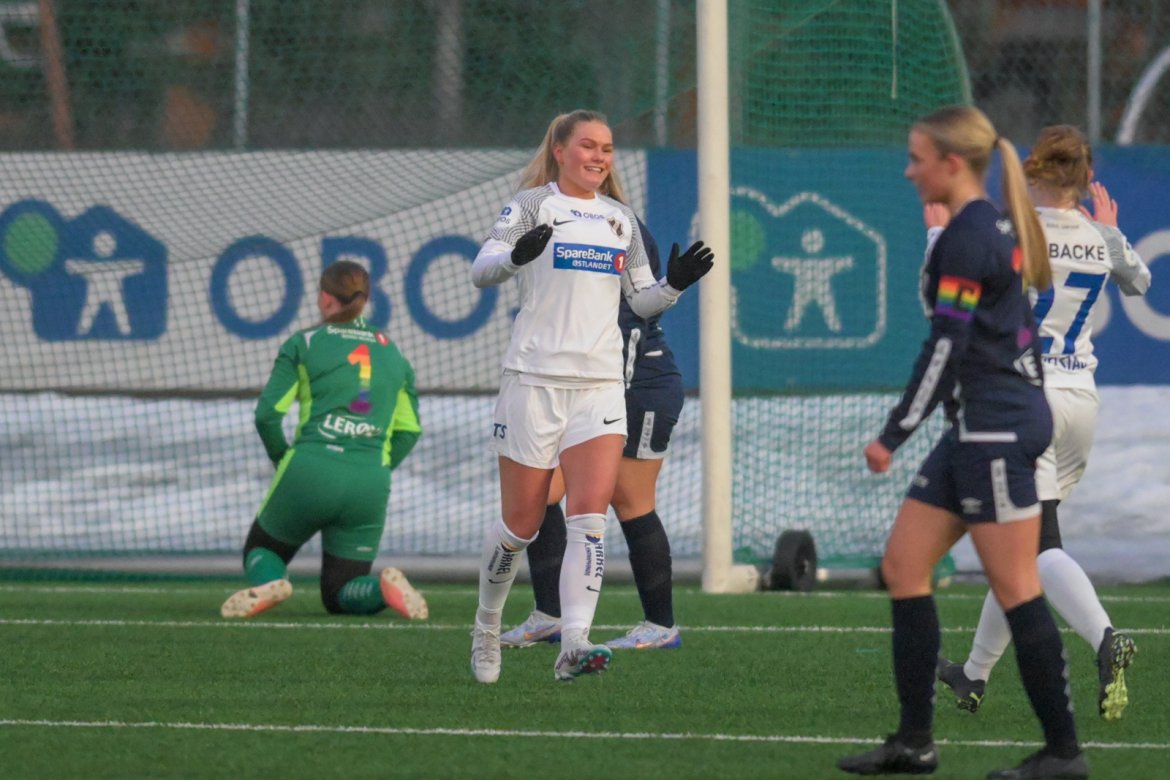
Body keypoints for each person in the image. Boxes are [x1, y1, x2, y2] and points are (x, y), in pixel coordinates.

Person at [837, 106, 1086, 779]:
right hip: (978, 425)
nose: (908, 171)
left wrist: (893, 434)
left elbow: (946, 346)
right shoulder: (989, 224)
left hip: (995, 428)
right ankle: (914, 742)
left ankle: (1064, 754)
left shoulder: (968, 236)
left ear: (951, 164)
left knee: (1017, 587)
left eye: (917, 158)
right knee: (904, 566)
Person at [468, 109, 712, 684]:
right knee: (520, 525)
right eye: (587, 146)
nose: (599, 157)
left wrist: (674, 285)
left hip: (600, 388)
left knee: (589, 520)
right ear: (559, 150)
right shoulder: (531, 204)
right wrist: (514, 258)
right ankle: (485, 628)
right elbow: (481, 270)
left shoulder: (620, 219)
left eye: (606, 147)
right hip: (533, 381)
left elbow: (642, 301)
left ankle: (574, 643)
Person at [938, 125, 1151, 722]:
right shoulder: (1097, 235)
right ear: (1086, 180)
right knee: (1019, 544)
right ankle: (973, 675)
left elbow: (954, 285)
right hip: (1081, 401)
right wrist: (1109, 231)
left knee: (1036, 544)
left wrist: (937, 231)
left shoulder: (1015, 231)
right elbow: (1141, 282)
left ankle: (1105, 638)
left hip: (1026, 401)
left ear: (1033, 172)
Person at [500, 215, 685, 652]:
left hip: (639, 383)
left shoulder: (619, 225)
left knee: (630, 500)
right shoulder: (557, 221)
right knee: (541, 492)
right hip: (589, 385)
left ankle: (661, 625)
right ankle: (550, 616)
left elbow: (635, 318)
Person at [220, 260, 428, 622]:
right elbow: (410, 431)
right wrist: (375, 464)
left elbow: (267, 415)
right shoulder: (395, 354)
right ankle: (381, 589)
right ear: (365, 300)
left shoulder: (304, 343)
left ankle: (272, 582)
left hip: (309, 469)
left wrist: (284, 460)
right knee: (340, 593)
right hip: (369, 481)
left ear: (325, 298)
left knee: (262, 549)